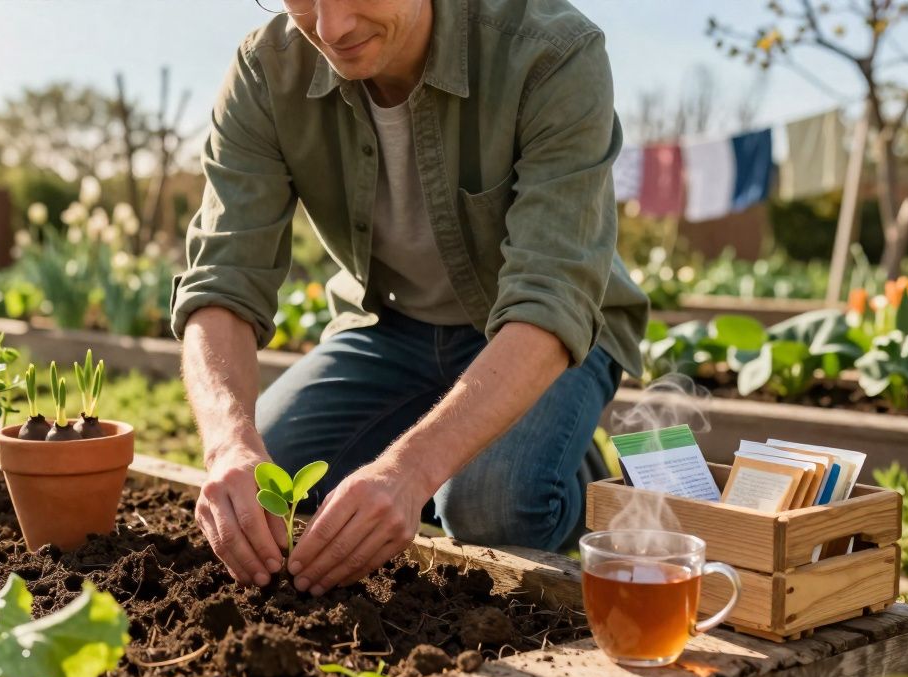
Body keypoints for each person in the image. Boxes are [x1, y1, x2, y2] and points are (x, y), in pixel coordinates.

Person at [170, 0, 648, 596]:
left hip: (544, 333)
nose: (330, 28)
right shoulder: (266, 70)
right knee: (271, 485)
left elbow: (551, 300)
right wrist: (227, 445)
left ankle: (571, 479)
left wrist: (410, 470)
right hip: (388, 327)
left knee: (488, 505)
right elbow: (221, 280)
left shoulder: (551, 51)